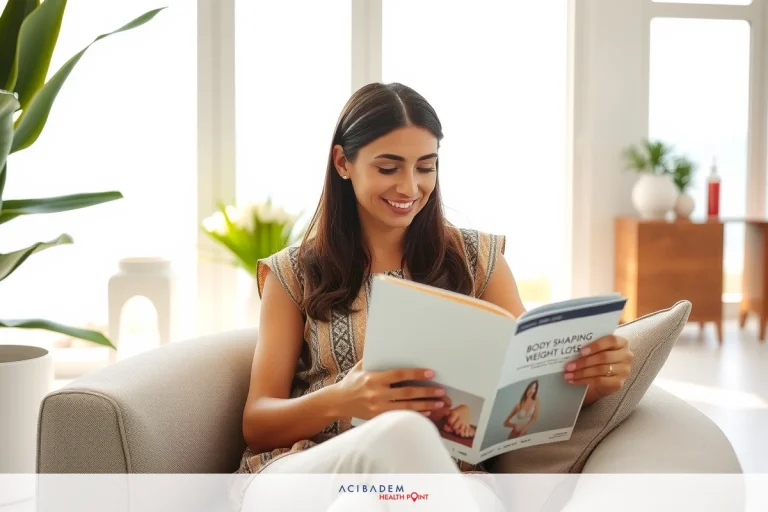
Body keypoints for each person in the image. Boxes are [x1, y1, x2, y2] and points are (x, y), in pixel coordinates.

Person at [232, 82, 634, 511]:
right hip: (311, 470)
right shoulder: (293, 272)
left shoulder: (477, 259)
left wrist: (592, 378)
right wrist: (340, 400)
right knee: (398, 436)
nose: (409, 187)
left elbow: (524, 389)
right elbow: (256, 422)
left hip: (441, 482)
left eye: (426, 167)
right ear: (343, 162)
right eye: (389, 168)